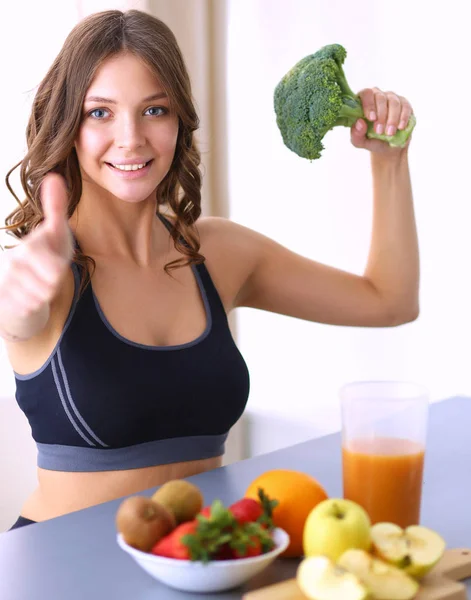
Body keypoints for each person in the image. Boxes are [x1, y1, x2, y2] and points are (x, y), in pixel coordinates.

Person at [0, 9, 419, 530]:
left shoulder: (218, 254)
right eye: (100, 113)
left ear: (179, 120)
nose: (130, 138)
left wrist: (389, 159)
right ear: (68, 123)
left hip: (200, 562)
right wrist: (17, 299)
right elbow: (18, 316)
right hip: (63, 573)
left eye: (154, 110)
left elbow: (389, 301)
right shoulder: (45, 273)